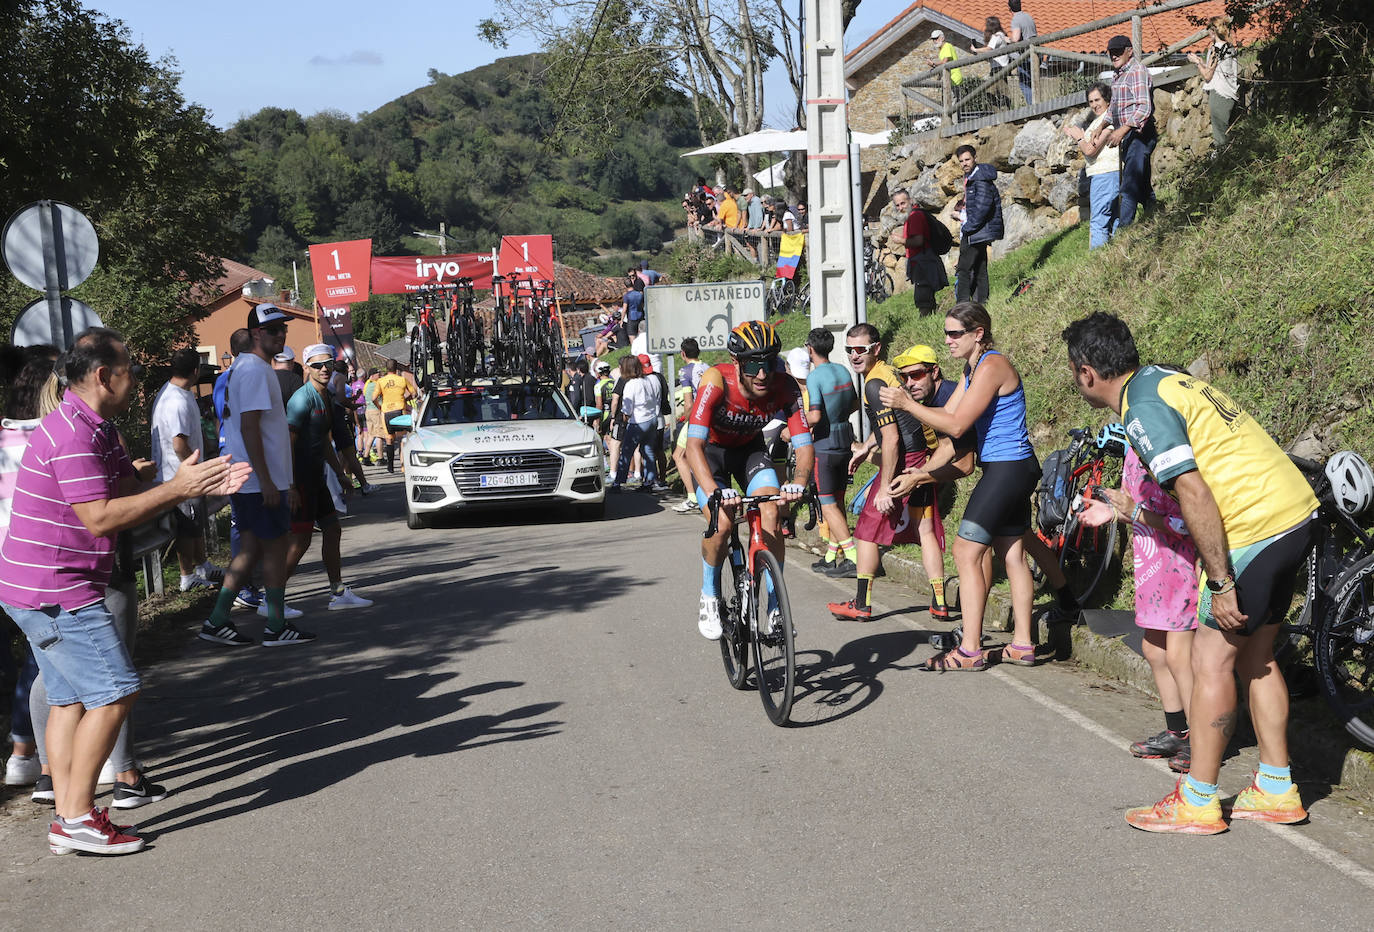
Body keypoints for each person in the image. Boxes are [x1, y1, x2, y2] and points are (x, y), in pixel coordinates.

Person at [1063, 311, 1319, 834]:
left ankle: (1198, 798)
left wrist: (1222, 584)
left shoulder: (1142, 408)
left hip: (1254, 530)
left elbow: (1193, 491)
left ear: (1087, 372)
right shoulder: (1164, 378)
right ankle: (1276, 787)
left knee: (1209, 662)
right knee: (1256, 656)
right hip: (1297, 513)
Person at [0, 328, 247, 855]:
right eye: (131, 370)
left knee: (69, 701)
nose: (138, 380)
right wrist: (177, 489)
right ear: (102, 376)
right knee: (116, 691)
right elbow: (100, 519)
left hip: (38, 586)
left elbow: (125, 492)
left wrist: (188, 481)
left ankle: (69, 817)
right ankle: (78, 817)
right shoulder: (72, 434)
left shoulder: (94, 427)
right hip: (55, 589)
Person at [879, 303, 1041, 670]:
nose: (948, 340)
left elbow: (954, 425)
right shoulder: (972, 369)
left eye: (955, 333)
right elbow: (951, 428)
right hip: (1010, 467)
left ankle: (970, 649)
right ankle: (1022, 644)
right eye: (946, 333)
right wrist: (919, 474)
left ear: (978, 333)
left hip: (1008, 467)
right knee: (1012, 552)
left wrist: (905, 403)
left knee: (966, 550)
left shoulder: (993, 366)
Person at [686, 320, 813, 640]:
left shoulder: (785, 385)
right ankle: (709, 595)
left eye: (769, 363)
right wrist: (714, 492)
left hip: (749, 452)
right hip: (711, 455)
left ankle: (775, 609)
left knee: (772, 511)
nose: (762, 373)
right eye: (754, 364)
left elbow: (804, 442)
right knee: (723, 524)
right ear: (737, 363)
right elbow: (693, 446)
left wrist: (798, 481)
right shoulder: (715, 381)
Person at [200, 303, 315, 648]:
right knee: (275, 550)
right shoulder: (253, 370)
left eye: (284, 329)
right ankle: (276, 625)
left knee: (249, 550)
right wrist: (267, 480)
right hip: (257, 480)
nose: (282, 334)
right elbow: (249, 428)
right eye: (274, 329)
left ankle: (218, 619)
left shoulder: (249, 368)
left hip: (253, 477)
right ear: (256, 334)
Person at [830, 334, 953, 621]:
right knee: (925, 531)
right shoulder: (888, 375)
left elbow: (893, 438)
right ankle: (939, 603)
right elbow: (891, 422)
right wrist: (866, 447)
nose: (854, 355)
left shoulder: (874, 384)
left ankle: (861, 603)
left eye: (861, 349)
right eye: (849, 350)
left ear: (876, 349)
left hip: (902, 462)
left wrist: (885, 488)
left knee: (866, 531)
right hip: (922, 460)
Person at [1096, 441, 1199, 773]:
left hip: (1181, 566)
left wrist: (1135, 511)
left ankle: (1201, 740)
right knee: (1153, 649)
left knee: (1180, 657)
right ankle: (1177, 732)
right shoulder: (1131, 452)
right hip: (1152, 567)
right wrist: (1110, 512)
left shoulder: (1169, 454)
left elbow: (1189, 524)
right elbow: (1133, 510)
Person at [283, 345, 374, 612]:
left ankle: (338, 592)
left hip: (317, 476)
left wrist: (338, 473)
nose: (324, 369)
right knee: (300, 541)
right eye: (317, 365)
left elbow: (322, 439)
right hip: (300, 478)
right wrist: (289, 486)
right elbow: (287, 443)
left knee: (333, 530)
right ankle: (272, 599)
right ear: (307, 368)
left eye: (329, 364)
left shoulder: (326, 395)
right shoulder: (302, 399)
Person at [151, 348, 223, 592]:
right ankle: (187, 576)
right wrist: (194, 467)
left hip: (182, 471)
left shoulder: (176, 393)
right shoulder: (177, 401)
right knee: (187, 525)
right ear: (196, 371)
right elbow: (178, 443)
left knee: (195, 523)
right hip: (179, 473)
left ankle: (202, 565)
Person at [802, 328, 859, 575]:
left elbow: (814, 415)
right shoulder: (843, 370)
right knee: (837, 500)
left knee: (827, 505)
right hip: (845, 441)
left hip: (824, 445)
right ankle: (830, 555)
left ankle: (853, 557)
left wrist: (793, 426)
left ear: (810, 349)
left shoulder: (815, 377)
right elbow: (855, 403)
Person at [1106, 34, 1157, 229]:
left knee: (1129, 183)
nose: (1114, 56)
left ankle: (1124, 229)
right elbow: (1114, 108)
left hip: (1140, 135)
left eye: (1118, 51)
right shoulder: (1118, 75)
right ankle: (1154, 214)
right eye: (1111, 53)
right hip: (1127, 135)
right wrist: (1102, 126)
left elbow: (1144, 108)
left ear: (1130, 51)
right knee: (1141, 184)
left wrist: (1122, 130)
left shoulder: (1137, 71)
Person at [1063, 82, 1119, 248]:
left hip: (1105, 174)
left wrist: (1079, 137)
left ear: (1107, 99)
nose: (1094, 105)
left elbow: (1090, 150)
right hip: (1109, 173)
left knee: (1099, 221)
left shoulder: (1108, 119)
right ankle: (1114, 256)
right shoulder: (1101, 120)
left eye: (1097, 100)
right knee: (1113, 219)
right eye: (1091, 101)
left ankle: (1096, 261)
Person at [954, 145, 1003, 304]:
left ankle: (962, 304)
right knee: (980, 267)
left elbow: (982, 206)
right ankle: (981, 302)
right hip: (979, 230)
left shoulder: (980, 178)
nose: (964, 163)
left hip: (976, 231)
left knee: (963, 269)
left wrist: (968, 226)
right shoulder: (973, 176)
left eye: (967, 159)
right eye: (961, 161)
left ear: (975, 158)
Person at [609, 356, 661, 492]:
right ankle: (649, 481)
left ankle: (618, 483)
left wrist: (624, 421)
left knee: (626, 452)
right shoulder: (647, 380)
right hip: (652, 419)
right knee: (648, 450)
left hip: (638, 421)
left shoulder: (630, 385)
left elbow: (627, 409)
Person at [1188, 16, 1241, 150]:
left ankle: (1222, 164)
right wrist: (1201, 62)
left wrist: (1196, 63)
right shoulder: (1229, 47)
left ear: (1212, 31)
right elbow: (1215, 69)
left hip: (1219, 94)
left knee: (1220, 137)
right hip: (1230, 94)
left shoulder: (1216, 49)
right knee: (1229, 134)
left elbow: (1207, 75)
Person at [902, 192, 950, 316]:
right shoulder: (916, 215)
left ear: (911, 200)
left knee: (923, 294)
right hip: (924, 258)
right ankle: (930, 318)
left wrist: (900, 240)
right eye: (897, 205)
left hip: (922, 260)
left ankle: (925, 320)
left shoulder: (914, 217)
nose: (900, 208)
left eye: (903, 203)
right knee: (926, 292)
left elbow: (918, 241)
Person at [373, 358, 415, 474]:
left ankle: (390, 466)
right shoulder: (402, 380)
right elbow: (414, 393)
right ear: (397, 369)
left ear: (387, 369)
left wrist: (380, 407)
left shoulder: (381, 381)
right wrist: (405, 400)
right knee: (403, 438)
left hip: (386, 412)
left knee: (390, 440)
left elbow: (373, 398)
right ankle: (404, 466)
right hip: (400, 410)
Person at [1007, 0, 1036, 105]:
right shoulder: (1028, 16)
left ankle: (1033, 108)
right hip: (1035, 52)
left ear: (1009, 9)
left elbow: (1015, 38)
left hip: (1025, 55)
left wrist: (1006, 40)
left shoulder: (1016, 19)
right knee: (1033, 81)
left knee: (1025, 83)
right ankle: (1037, 106)